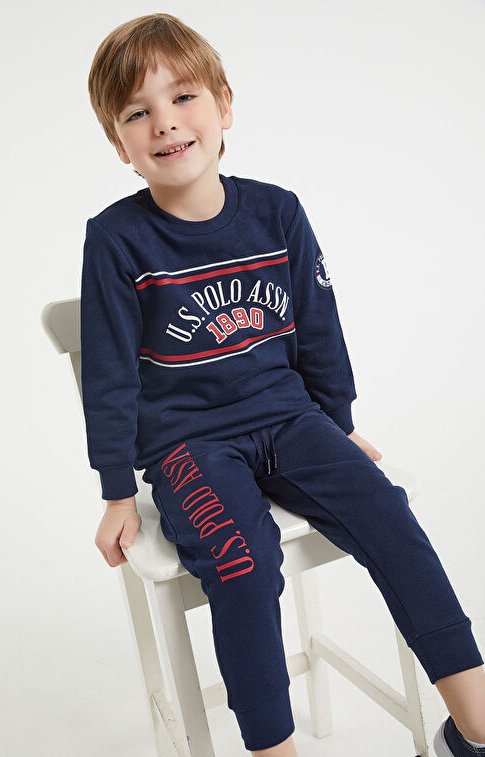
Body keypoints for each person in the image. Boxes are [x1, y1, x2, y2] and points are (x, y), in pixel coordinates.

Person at [80, 12, 485, 756]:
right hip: (189, 446)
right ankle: (274, 748)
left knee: (388, 515)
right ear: (119, 143)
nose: (165, 123)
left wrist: (338, 420)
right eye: (137, 113)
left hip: (293, 422)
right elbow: (107, 374)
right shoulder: (115, 239)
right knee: (243, 560)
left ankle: (474, 723)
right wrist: (115, 491)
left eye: (183, 97)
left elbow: (319, 327)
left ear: (224, 106)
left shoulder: (276, 211)